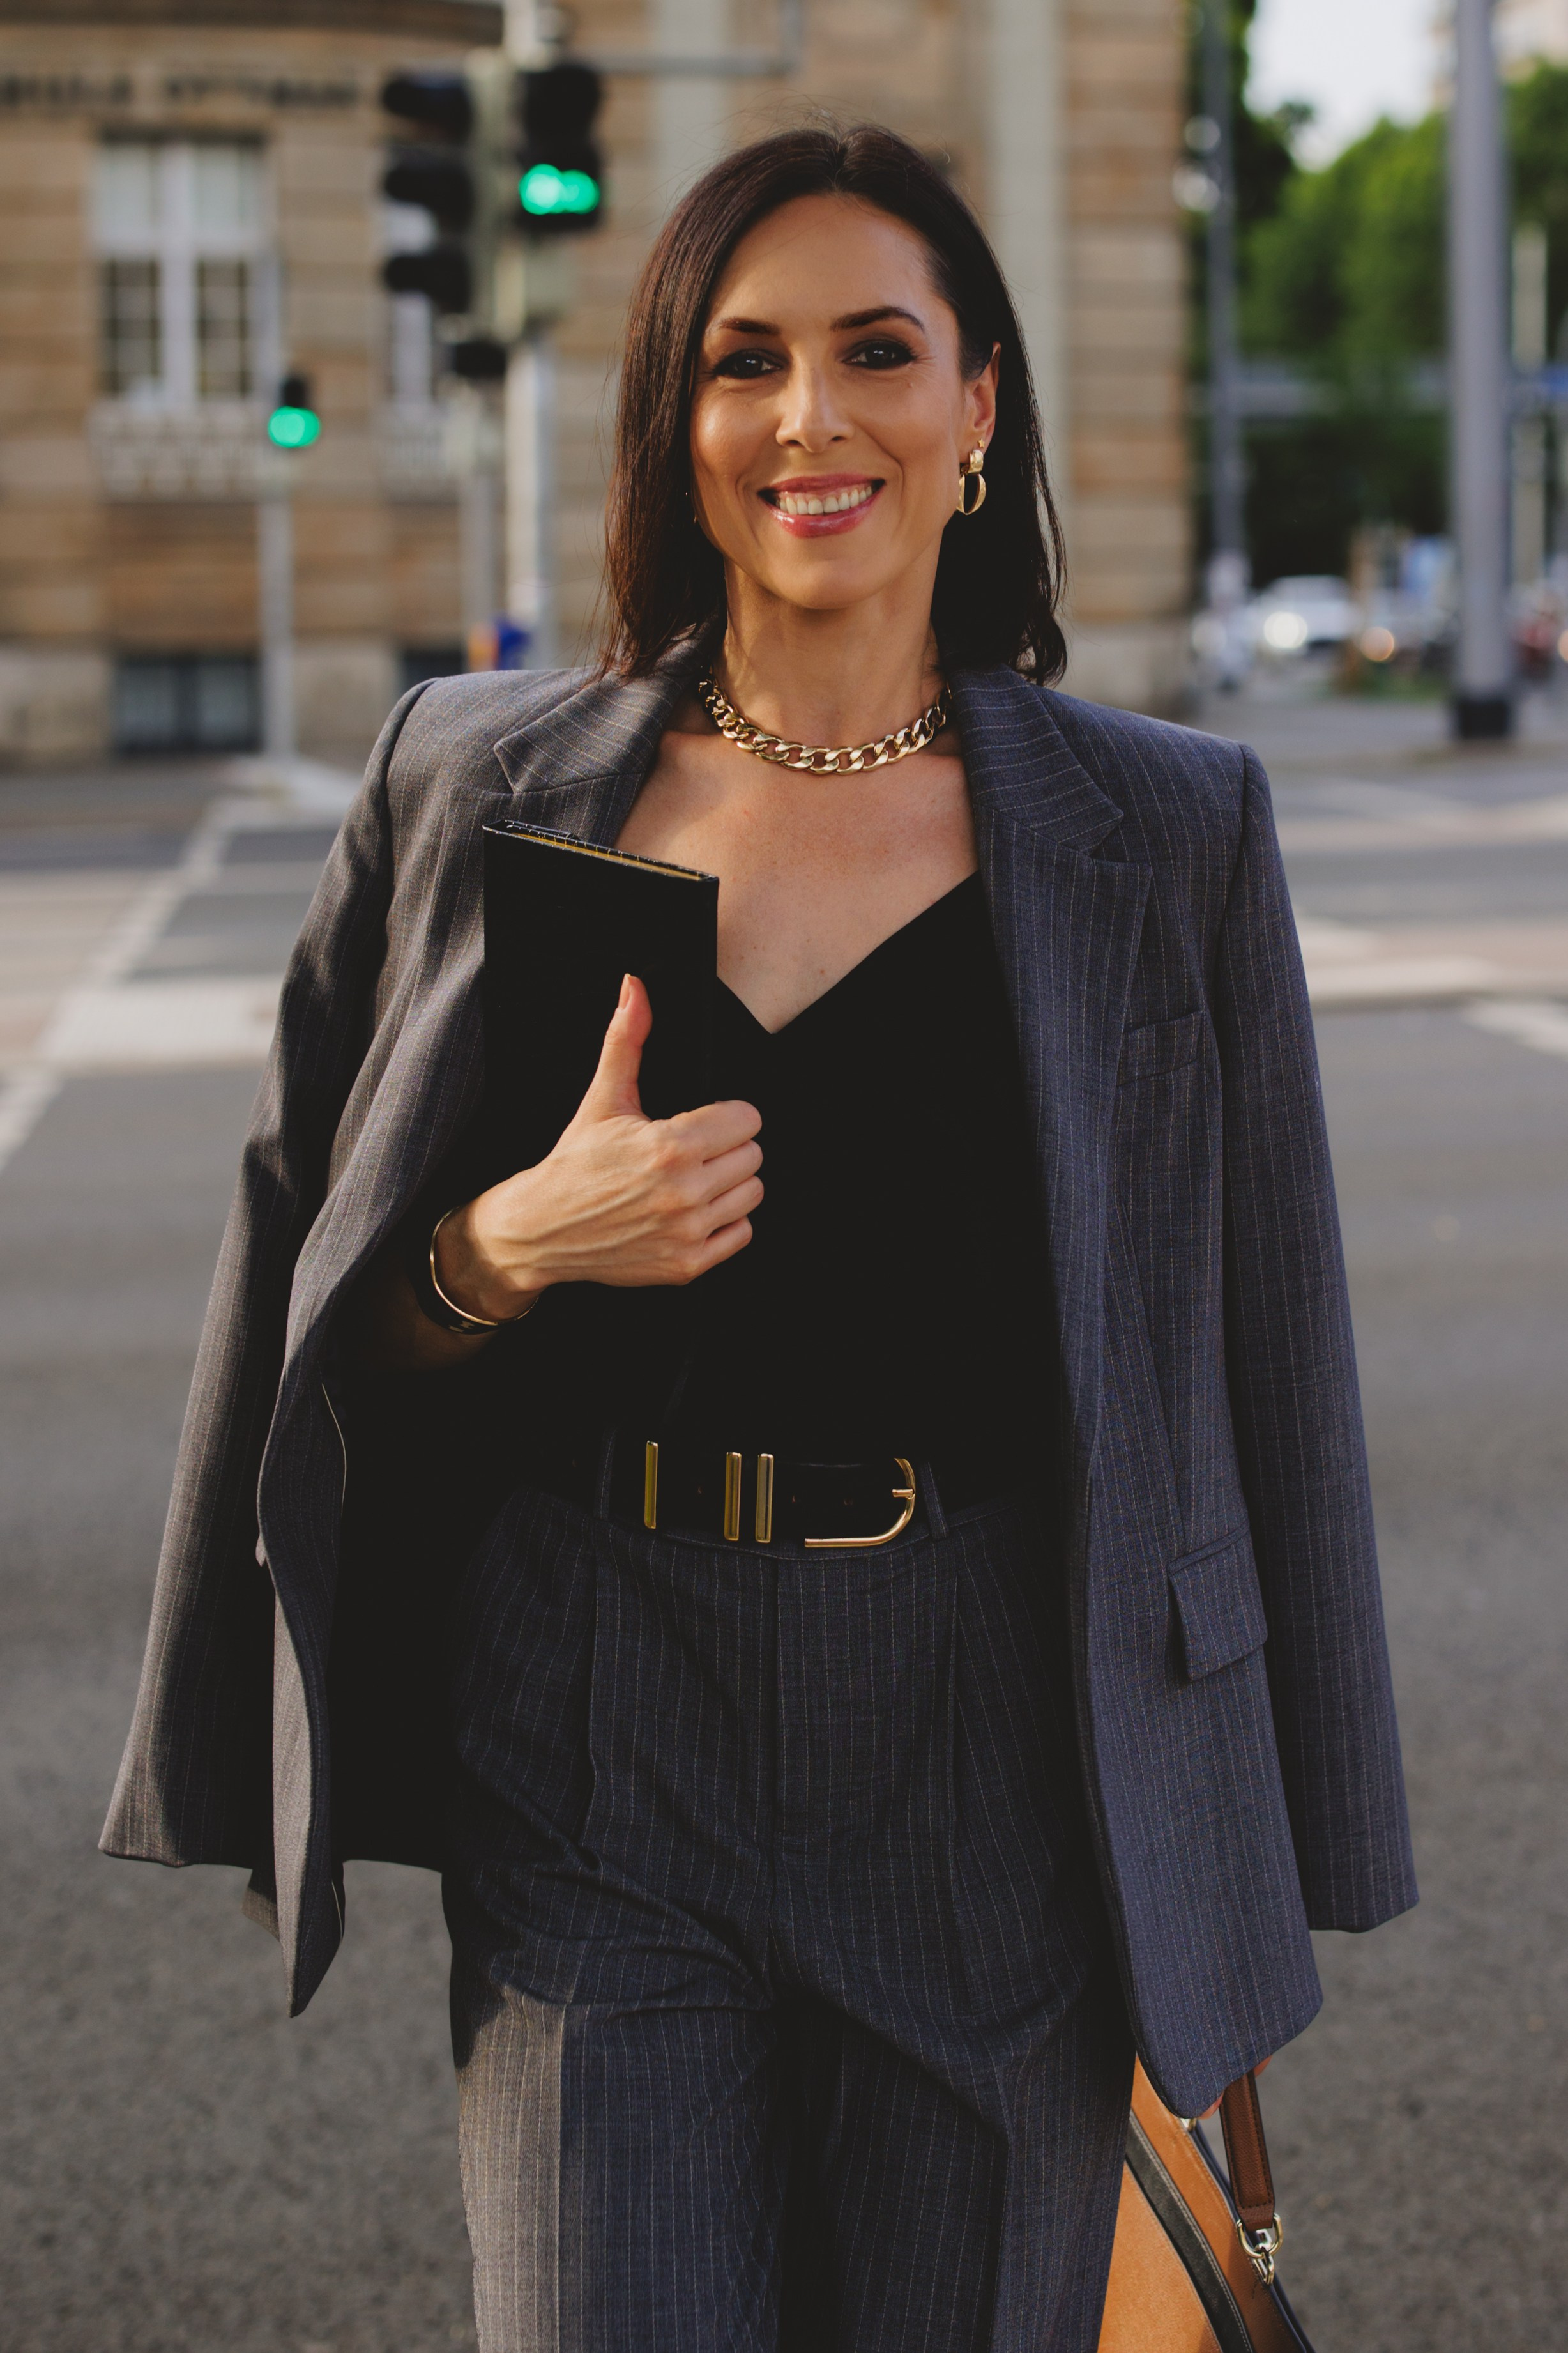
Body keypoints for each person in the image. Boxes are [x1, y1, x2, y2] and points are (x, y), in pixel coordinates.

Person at [103, 125, 1416, 2352]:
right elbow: (308, 1290)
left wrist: (1241, 1885)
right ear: (677, 419)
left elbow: (1265, 1356)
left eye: (875, 353)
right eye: (744, 363)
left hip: (998, 1748)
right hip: (601, 1727)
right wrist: (507, 1242)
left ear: (978, 405)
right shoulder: (480, 774)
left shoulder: (1169, 830)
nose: (811, 419)